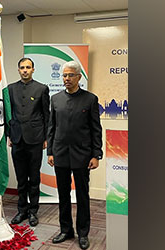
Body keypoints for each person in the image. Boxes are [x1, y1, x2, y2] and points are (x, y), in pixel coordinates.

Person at [47, 61, 102, 249]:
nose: (66, 79)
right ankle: (65, 230)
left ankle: (83, 233)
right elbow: (51, 128)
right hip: (60, 154)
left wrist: (96, 155)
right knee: (63, 195)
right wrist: (50, 152)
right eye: (64, 75)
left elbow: (96, 129)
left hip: (83, 156)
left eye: (70, 75)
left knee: (82, 196)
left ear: (79, 77)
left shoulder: (90, 99)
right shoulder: (55, 99)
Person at [7, 58, 50, 227]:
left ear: (33, 69)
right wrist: (8, 135)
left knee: (34, 177)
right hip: (17, 139)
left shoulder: (42, 88)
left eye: (28, 67)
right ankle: (21, 210)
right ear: (18, 70)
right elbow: (7, 114)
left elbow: (47, 115)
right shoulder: (10, 89)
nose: (25, 70)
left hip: (35, 139)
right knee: (20, 178)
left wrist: (46, 137)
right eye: (22, 67)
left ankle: (33, 211)